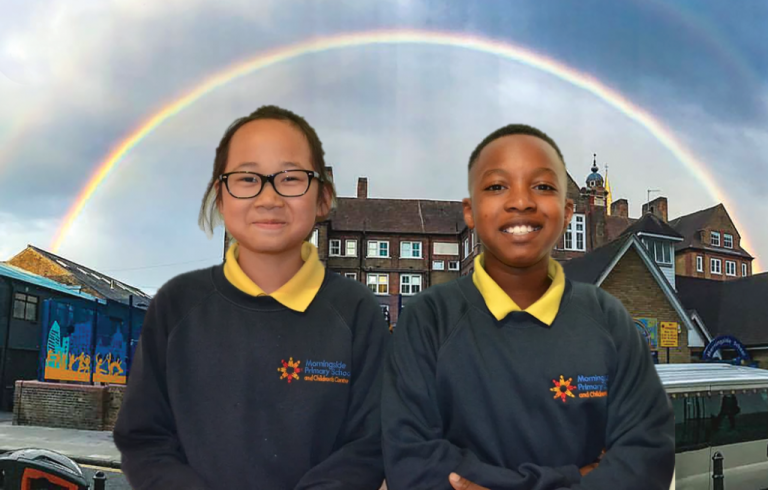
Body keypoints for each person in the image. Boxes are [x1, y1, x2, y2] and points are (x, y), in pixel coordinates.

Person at [381, 124, 674, 490]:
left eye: (543, 186)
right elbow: (410, 462)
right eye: (497, 186)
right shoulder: (427, 321)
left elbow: (648, 455)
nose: (521, 202)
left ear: (567, 213)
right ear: (471, 212)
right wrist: (575, 477)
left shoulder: (609, 318)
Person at [114, 105, 389, 489]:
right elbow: (144, 436)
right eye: (247, 179)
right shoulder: (176, 305)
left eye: (291, 178)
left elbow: (370, 442)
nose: (269, 198)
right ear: (220, 197)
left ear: (323, 198)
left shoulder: (357, 311)